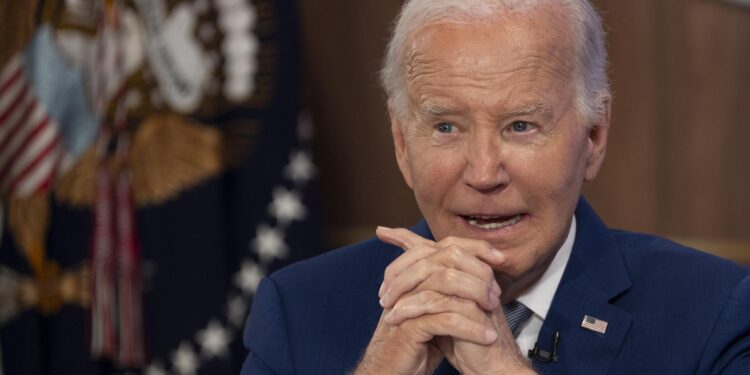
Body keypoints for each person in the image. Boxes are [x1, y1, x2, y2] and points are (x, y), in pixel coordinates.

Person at [241, 0, 750, 373]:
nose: (484, 174)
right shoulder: (298, 312)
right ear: (401, 145)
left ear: (593, 136)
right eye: (446, 127)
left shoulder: (712, 315)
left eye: (521, 126)